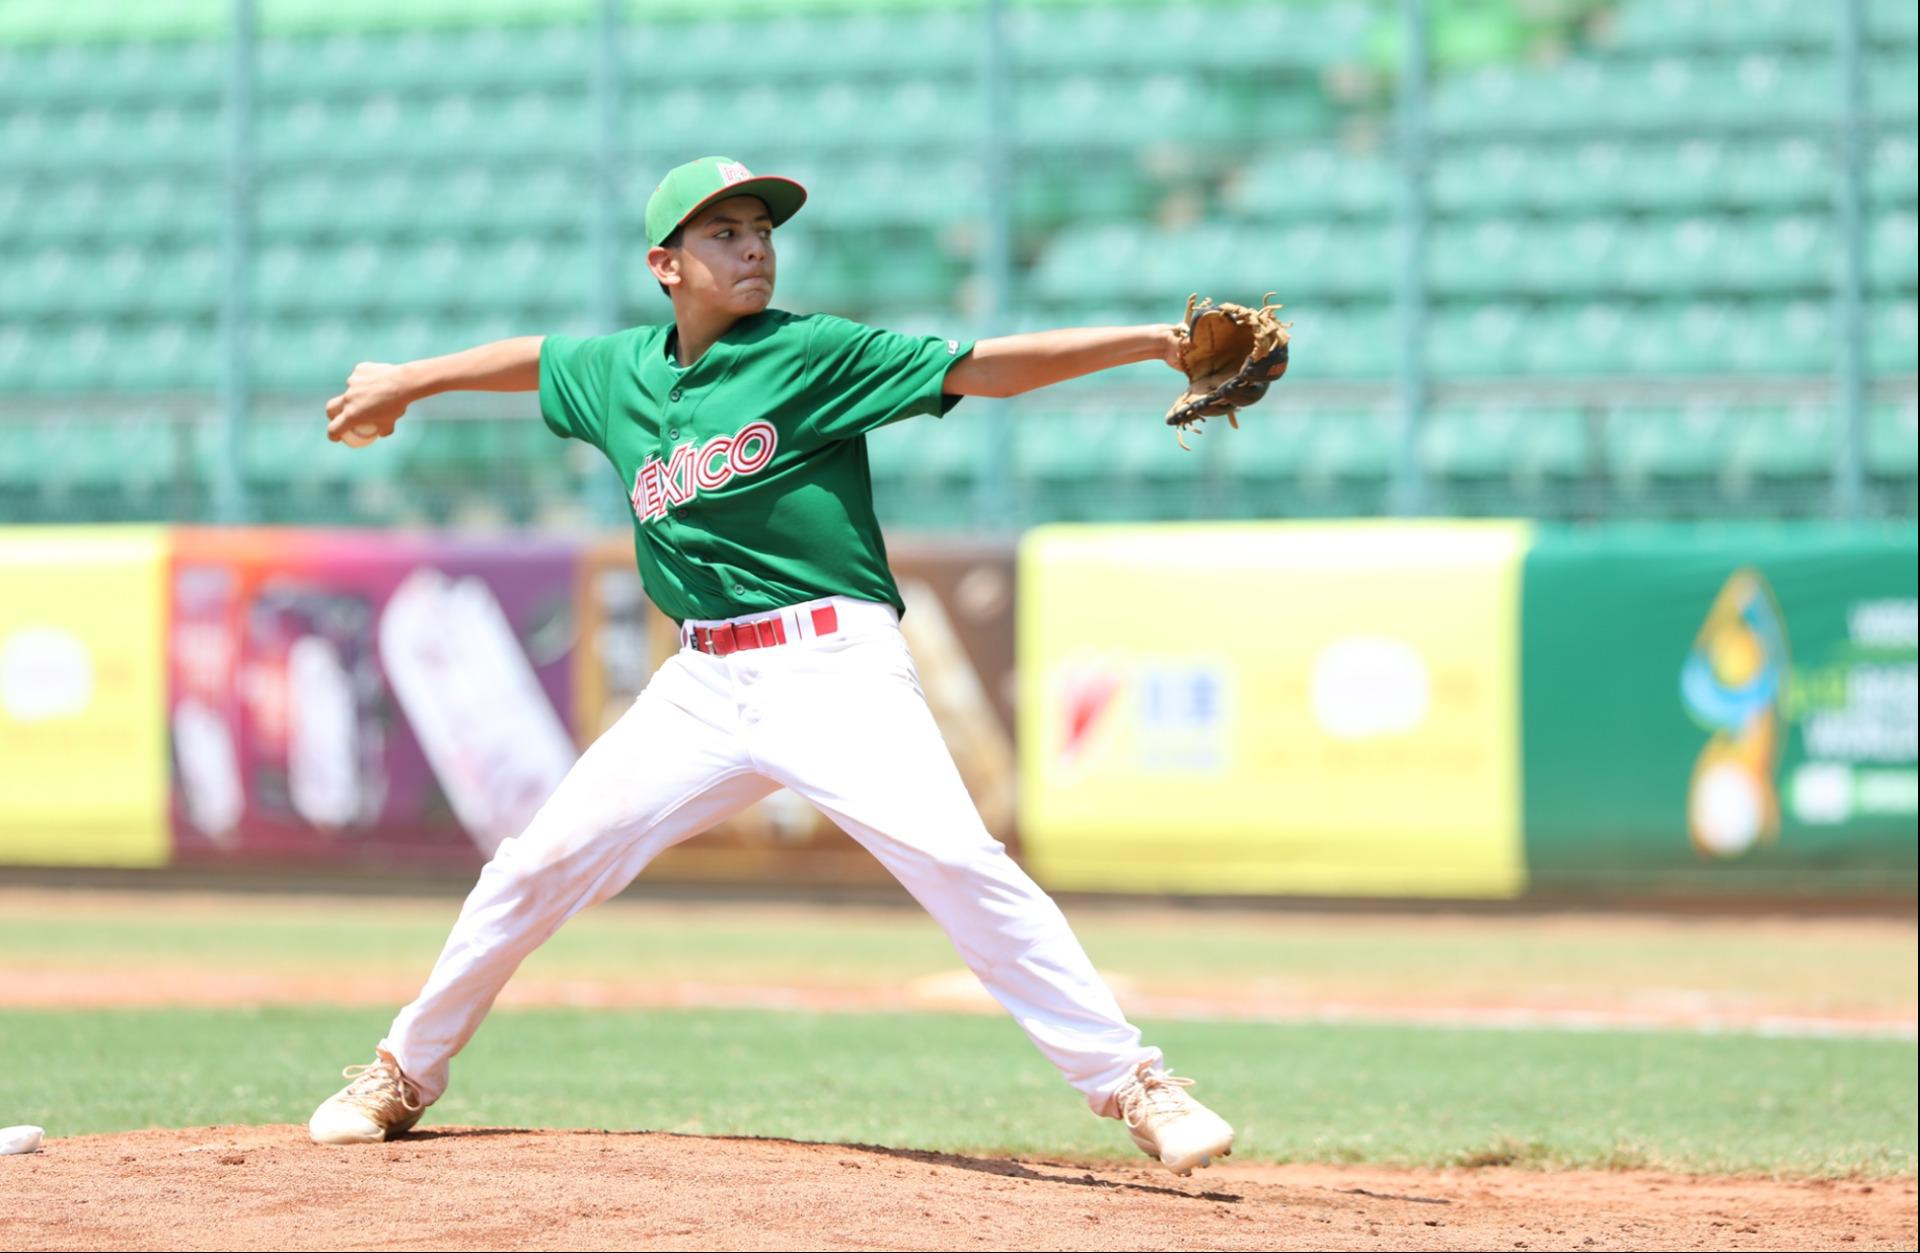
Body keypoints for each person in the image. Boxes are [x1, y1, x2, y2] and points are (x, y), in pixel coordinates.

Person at [310, 155, 1235, 1175]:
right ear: (665, 264)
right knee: (534, 865)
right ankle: (401, 1069)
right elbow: (537, 357)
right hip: (700, 684)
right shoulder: (620, 371)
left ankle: (1134, 1082)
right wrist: (408, 379)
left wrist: (1154, 343)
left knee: (958, 860)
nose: (754, 247)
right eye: (725, 233)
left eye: (762, 230)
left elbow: (985, 365)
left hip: (832, 666)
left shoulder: (812, 351)